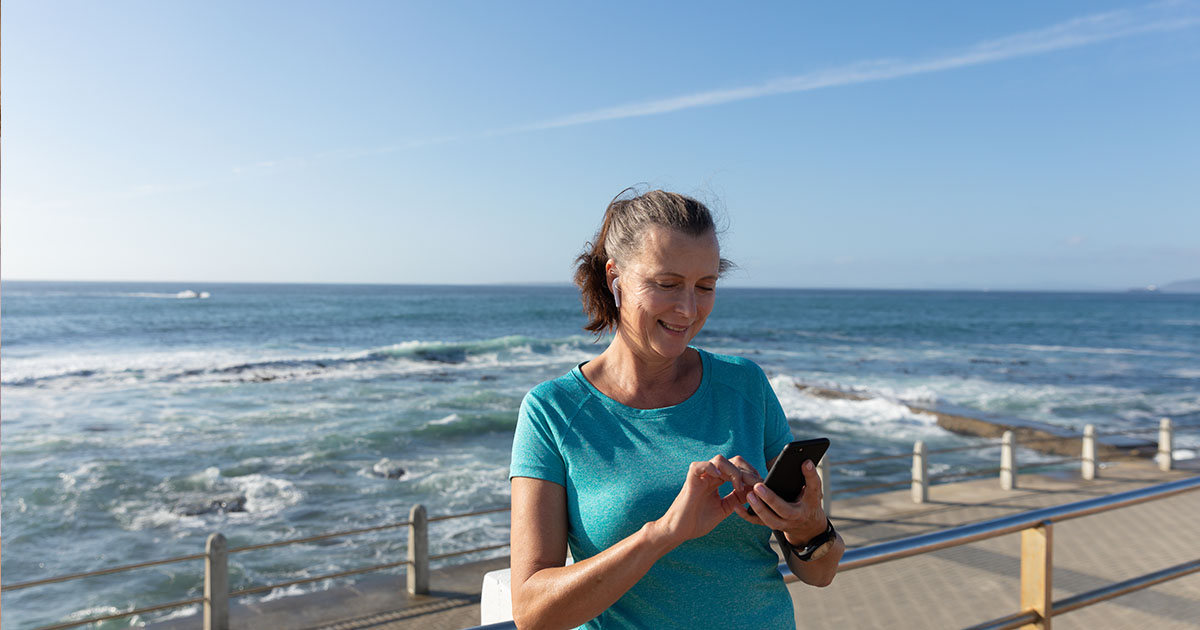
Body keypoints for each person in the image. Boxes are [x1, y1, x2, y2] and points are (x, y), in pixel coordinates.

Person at [509, 189, 843, 630]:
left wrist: (809, 527)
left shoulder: (745, 385)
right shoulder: (552, 412)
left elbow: (820, 573)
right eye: (666, 284)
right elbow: (533, 613)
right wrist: (664, 533)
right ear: (616, 279)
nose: (688, 309)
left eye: (705, 286)